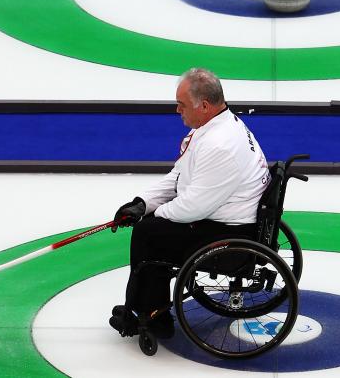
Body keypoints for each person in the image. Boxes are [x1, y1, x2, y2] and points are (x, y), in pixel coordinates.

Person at [109, 68, 270, 340]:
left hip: (230, 236)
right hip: (224, 217)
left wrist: (153, 216)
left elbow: (193, 207)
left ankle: (151, 315)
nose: (177, 110)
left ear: (204, 106)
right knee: (151, 225)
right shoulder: (214, 127)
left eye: (182, 105)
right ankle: (146, 306)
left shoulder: (219, 145)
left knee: (149, 234)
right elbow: (179, 176)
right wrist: (142, 204)